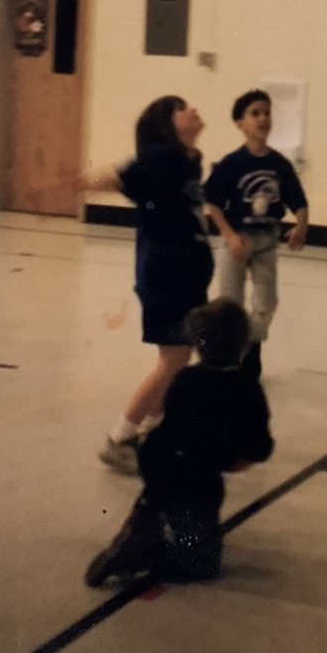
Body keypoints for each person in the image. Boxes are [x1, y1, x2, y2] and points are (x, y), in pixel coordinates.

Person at [84, 297, 274, 587]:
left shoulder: (185, 378)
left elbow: (170, 423)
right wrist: (239, 460)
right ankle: (158, 551)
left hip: (158, 463)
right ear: (244, 344)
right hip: (197, 481)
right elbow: (258, 445)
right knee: (200, 559)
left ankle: (141, 528)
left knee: (158, 497)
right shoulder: (246, 390)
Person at [79, 95, 215, 474]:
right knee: (173, 360)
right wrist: (83, 182)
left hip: (185, 276)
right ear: (167, 123)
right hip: (166, 276)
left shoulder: (191, 161)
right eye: (182, 107)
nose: (193, 109)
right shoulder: (162, 158)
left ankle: (156, 432)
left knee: (179, 358)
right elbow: (121, 175)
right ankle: (119, 438)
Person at [204, 89, 309, 379]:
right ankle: (225, 360)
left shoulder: (278, 164)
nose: (263, 118)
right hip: (236, 240)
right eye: (255, 113)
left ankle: (250, 348)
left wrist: (301, 225)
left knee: (266, 303)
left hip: (265, 243)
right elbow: (213, 203)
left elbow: (298, 200)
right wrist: (229, 236)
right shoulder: (231, 163)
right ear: (241, 123)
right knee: (230, 304)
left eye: (267, 112)